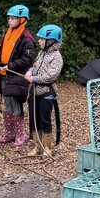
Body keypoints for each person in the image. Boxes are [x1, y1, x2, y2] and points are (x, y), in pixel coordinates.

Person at [0, 5, 35, 148]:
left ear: (22, 20)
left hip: (16, 76)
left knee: (15, 104)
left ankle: (21, 135)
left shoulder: (26, 38)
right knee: (7, 104)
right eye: (9, 18)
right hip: (4, 75)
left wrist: (11, 66)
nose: (9, 20)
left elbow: (28, 59)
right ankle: (9, 134)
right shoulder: (7, 34)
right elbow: (0, 54)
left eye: (13, 18)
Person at [24, 24, 63, 157]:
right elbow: (36, 66)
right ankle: (38, 146)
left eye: (41, 39)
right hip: (34, 92)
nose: (39, 41)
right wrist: (30, 71)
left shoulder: (57, 57)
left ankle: (47, 147)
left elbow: (51, 76)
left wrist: (34, 79)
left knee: (44, 119)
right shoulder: (41, 53)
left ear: (50, 41)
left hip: (46, 92)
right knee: (33, 119)